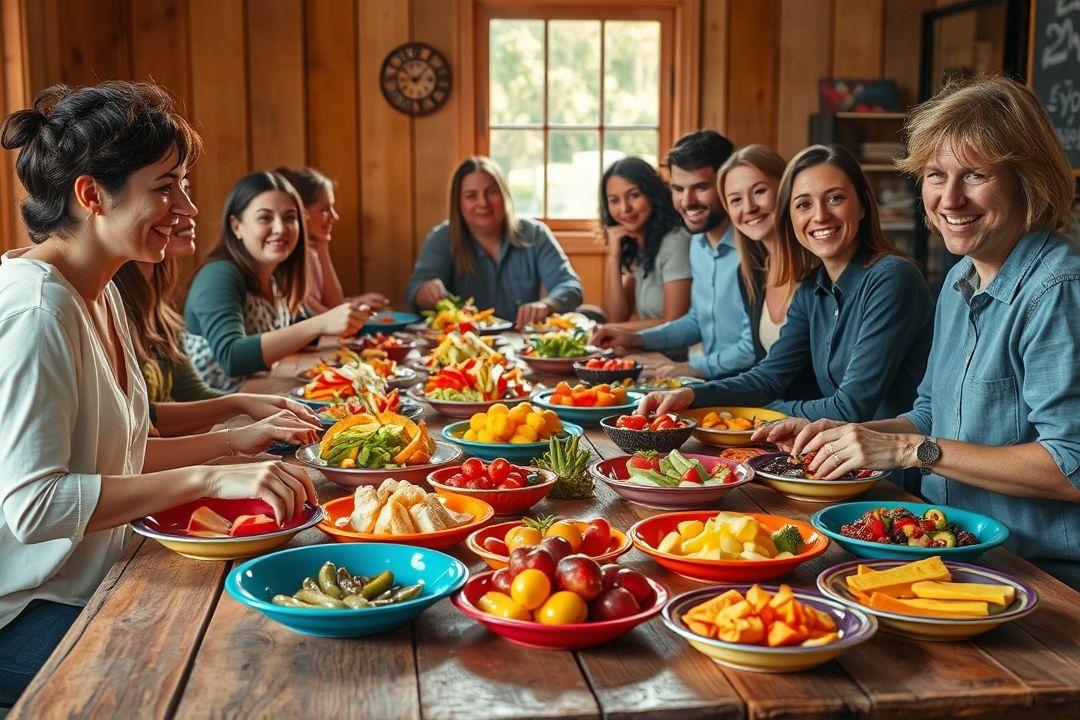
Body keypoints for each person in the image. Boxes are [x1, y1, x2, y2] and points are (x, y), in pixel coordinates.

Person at [0, 81, 318, 709]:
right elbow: (34, 506)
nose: (186, 208)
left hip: (100, 574)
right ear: (91, 195)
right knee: (229, 676)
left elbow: (125, 447)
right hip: (29, 612)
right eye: (166, 187)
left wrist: (235, 447)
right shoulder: (36, 311)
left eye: (185, 185)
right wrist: (210, 478)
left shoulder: (101, 290)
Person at [758, 76, 1080, 588]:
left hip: (1035, 575)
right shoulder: (959, 277)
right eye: (935, 175)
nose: (949, 199)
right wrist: (854, 436)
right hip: (946, 545)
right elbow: (932, 412)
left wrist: (911, 451)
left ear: (1027, 179)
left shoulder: (1057, 289)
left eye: (974, 175)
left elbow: (1070, 468)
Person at [638, 144, 934, 428]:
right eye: (804, 204)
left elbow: (849, 408)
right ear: (790, 217)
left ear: (863, 206)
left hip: (896, 472)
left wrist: (752, 413)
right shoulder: (812, 290)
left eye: (835, 198)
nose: (819, 216)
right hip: (835, 458)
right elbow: (768, 377)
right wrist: (692, 395)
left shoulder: (892, 277)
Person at [114, 211, 324, 436]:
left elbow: (193, 392)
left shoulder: (160, 312)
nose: (191, 208)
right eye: (165, 189)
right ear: (237, 226)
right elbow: (137, 422)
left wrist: (248, 405)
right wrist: (238, 410)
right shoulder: (219, 273)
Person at [183, 171, 372, 392]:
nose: (280, 228)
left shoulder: (275, 275)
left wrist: (347, 318)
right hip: (214, 418)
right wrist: (320, 324)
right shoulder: (219, 274)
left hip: (258, 401)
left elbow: (298, 330)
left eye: (289, 217)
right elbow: (232, 357)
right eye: (265, 218)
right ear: (236, 226)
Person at [591, 130, 755, 378]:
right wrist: (635, 339)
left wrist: (691, 368)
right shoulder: (698, 244)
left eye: (700, 187)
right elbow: (695, 322)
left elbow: (753, 348)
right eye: (678, 189)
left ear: (726, 184)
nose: (687, 201)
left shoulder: (753, 250)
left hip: (745, 387)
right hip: (712, 382)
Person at [406, 156, 583, 328]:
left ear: (504, 194)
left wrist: (547, 304)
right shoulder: (442, 238)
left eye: (491, 192)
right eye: (471, 196)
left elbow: (570, 286)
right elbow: (415, 291)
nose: (483, 202)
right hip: (465, 346)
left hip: (524, 346)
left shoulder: (535, 234)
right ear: (458, 203)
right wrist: (425, 291)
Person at [718, 144, 818, 399]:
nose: (749, 208)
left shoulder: (821, 268)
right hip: (777, 420)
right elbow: (763, 373)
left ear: (785, 190)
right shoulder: (750, 275)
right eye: (736, 200)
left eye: (759, 191)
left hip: (821, 423)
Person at [274, 165, 390, 315]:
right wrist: (355, 305)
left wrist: (322, 245)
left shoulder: (312, 256)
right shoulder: (285, 263)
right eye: (324, 209)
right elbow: (321, 317)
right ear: (301, 212)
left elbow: (334, 304)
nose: (335, 217)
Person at [598, 157, 691, 330]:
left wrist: (609, 330)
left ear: (652, 194)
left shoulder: (675, 241)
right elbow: (616, 317)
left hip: (678, 354)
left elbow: (674, 322)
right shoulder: (640, 245)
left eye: (634, 195)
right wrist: (613, 256)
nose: (625, 208)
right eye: (614, 200)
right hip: (652, 349)